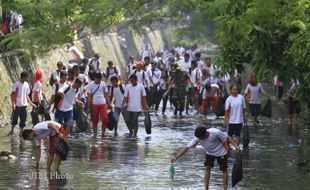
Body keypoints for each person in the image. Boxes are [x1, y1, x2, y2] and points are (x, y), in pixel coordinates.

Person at [171, 126, 240, 190]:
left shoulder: (215, 132)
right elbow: (187, 148)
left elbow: (227, 137)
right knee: (207, 168)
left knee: (224, 170)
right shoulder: (197, 137)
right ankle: (206, 188)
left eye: (201, 137)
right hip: (209, 153)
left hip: (221, 152)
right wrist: (176, 156)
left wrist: (236, 146)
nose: (199, 139)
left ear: (205, 134)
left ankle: (225, 189)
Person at [9, 71, 36, 136]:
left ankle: (20, 133)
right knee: (14, 118)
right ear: (23, 77)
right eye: (26, 77)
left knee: (23, 119)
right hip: (17, 105)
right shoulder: (17, 84)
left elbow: (26, 95)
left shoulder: (26, 84)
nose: (27, 79)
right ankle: (12, 130)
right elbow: (12, 95)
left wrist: (31, 103)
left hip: (24, 105)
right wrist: (13, 104)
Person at [87, 73, 111, 137]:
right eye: (98, 79)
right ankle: (95, 135)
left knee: (105, 119)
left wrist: (109, 103)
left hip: (103, 103)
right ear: (94, 78)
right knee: (95, 120)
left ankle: (103, 134)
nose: (99, 80)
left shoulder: (103, 84)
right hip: (94, 104)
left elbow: (106, 94)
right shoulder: (90, 85)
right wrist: (88, 105)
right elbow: (89, 96)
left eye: (100, 79)